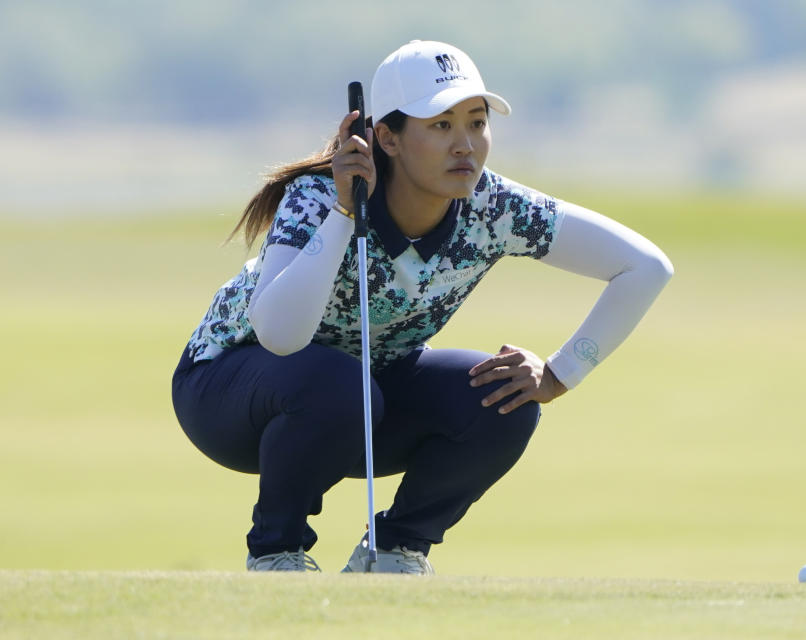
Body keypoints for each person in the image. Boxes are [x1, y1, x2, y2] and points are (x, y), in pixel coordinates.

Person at [170, 40, 673, 574]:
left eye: (477, 123)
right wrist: (345, 212)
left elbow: (645, 267)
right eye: (440, 126)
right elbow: (280, 335)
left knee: (504, 399)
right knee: (339, 384)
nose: (466, 145)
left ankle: (395, 552)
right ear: (385, 137)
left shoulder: (494, 207)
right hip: (229, 394)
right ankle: (276, 553)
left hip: (366, 400)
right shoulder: (320, 197)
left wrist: (559, 373)